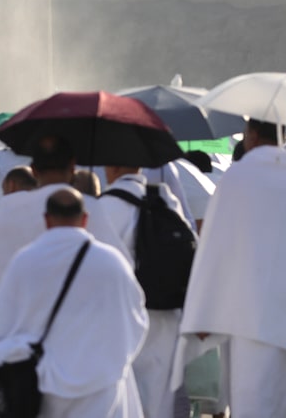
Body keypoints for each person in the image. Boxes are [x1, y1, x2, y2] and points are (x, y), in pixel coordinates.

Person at [0, 188, 147, 417]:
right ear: (85, 219)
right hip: (99, 385)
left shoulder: (25, 261)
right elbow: (137, 321)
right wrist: (112, 359)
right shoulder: (112, 262)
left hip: (42, 384)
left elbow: (1, 323)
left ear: (46, 219)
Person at [180, 117, 286, 415]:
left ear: (251, 135)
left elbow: (215, 245)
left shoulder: (239, 177)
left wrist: (203, 312)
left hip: (251, 314)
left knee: (254, 400)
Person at [0, 135, 128, 301]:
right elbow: (121, 271)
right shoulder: (89, 207)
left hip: (24, 317)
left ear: (33, 169)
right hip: (78, 315)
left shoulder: (11, 209)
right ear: (73, 166)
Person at [99, 163, 192, 418]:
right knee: (160, 394)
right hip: (166, 310)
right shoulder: (166, 201)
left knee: (125, 394)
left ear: (113, 166)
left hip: (121, 315)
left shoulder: (105, 207)